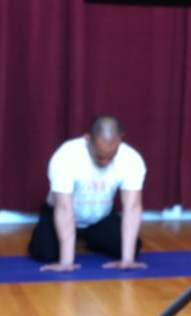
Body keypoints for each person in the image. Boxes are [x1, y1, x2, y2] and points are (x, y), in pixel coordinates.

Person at [28, 114, 147, 272]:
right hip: (62, 212)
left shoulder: (131, 159)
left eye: (111, 156)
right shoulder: (66, 156)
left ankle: (86, 239)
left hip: (99, 218)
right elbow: (64, 208)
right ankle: (71, 239)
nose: (105, 162)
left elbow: (132, 207)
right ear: (88, 138)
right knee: (43, 253)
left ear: (121, 139)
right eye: (100, 156)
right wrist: (66, 262)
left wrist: (127, 260)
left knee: (133, 248)